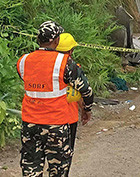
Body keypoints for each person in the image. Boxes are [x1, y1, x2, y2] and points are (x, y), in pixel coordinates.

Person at [16, 21, 94, 177]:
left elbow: (26, 79)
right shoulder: (64, 63)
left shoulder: (23, 61)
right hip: (56, 124)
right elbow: (86, 90)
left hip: (30, 124)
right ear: (56, 40)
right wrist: (87, 110)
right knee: (58, 170)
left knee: (31, 169)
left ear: (38, 39)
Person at [56, 33, 91, 154]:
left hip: (42, 118)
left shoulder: (44, 66)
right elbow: (83, 92)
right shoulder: (72, 69)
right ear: (71, 51)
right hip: (68, 118)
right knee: (64, 157)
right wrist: (85, 110)